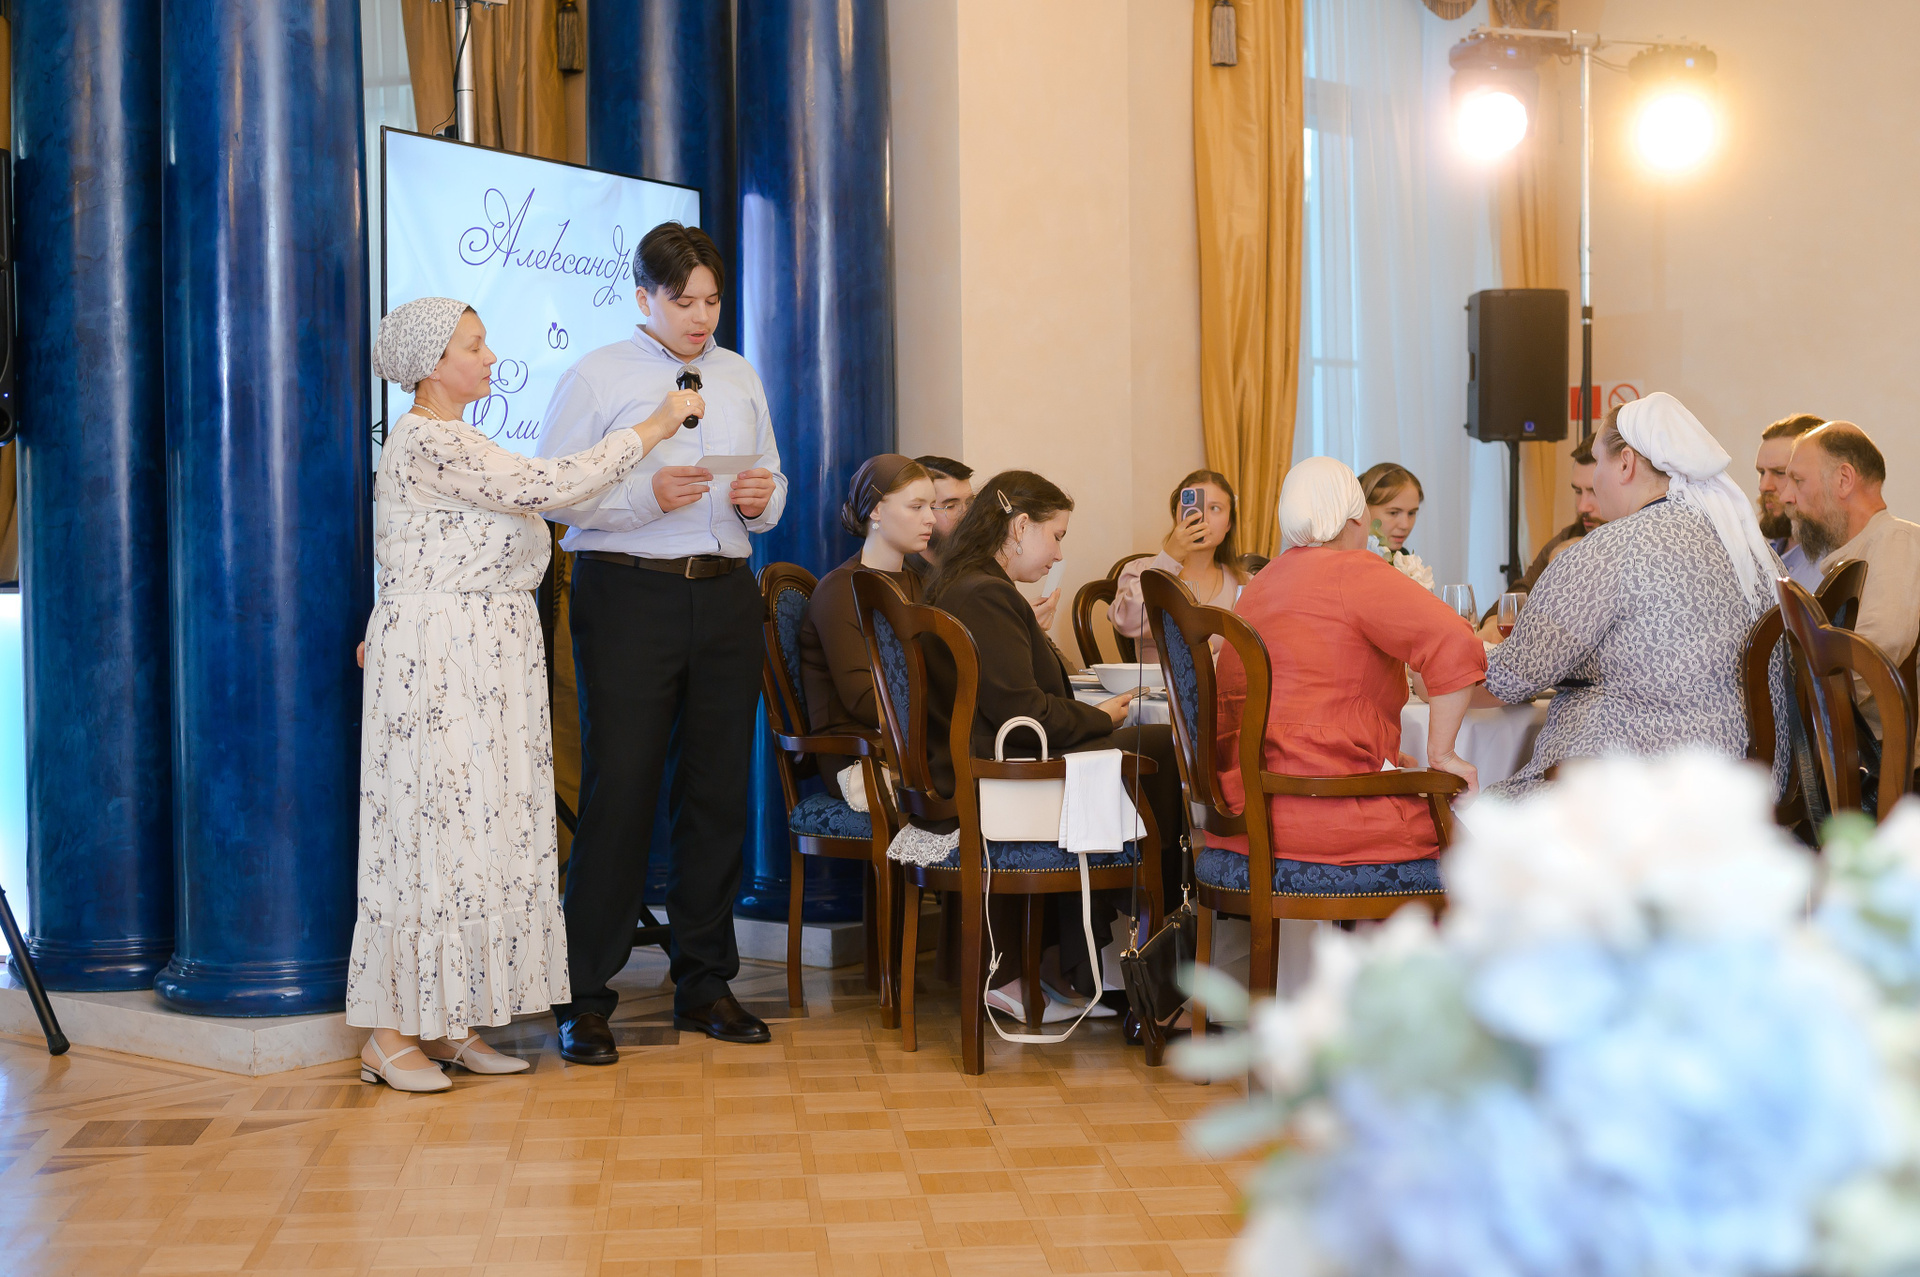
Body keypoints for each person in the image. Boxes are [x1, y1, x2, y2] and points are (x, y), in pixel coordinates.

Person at [350, 297, 684, 1091]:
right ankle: (387, 1036)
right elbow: (546, 482)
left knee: (479, 839)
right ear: (434, 364)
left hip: (485, 656)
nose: (491, 357)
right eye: (474, 345)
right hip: (444, 657)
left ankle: (448, 1021)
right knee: (431, 838)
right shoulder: (426, 437)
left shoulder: (461, 437)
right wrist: (656, 425)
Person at [535, 222, 787, 1060]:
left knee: (717, 793)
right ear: (644, 296)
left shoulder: (739, 373)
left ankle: (705, 983)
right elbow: (557, 494)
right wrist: (647, 498)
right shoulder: (598, 373)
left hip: (726, 595)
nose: (700, 317)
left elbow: (774, 479)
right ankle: (583, 995)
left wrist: (762, 498)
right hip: (628, 595)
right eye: (683, 301)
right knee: (622, 788)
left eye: (712, 300)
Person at [920, 471, 1187, 1010]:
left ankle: (1080, 959)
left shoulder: (965, 583)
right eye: (1057, 535)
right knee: (1159, 746)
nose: (1059, 554)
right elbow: (1023, 711)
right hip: (996, 772)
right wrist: (1100, 718)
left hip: (982, 757)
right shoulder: (985, 594)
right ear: (1020, 527)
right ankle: (1145, 954)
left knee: (1145, 742)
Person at [1485, 392, 1789, 797]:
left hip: (1637, 796)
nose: (1595, 482)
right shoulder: (1754, 550)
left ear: (1625, 463)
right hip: (1746, 794)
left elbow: (1509, 679)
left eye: (1598, 462)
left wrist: (1441, 657)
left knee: (1475, 812)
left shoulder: (1609, 549)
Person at [1209, 457, 1484, 869]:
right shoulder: (1351, 571)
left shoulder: (1260, 584)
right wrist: (1443, 756)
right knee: (1481, 854)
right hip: (1329, 815)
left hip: (1242, 818)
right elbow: (1457, 641)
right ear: (1357, 518)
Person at [799, 455, 935, 803]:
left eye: (931, 506)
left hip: (915, 743)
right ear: (876, 510)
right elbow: (863, 700)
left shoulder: (919, 583)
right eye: (916, 506)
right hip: (862, 757)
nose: (931, 518)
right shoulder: (840, 589)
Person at [1782, 422, 1920, 745]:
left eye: (1798, 481)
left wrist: (1802, 702)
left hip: (1887, 765)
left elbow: (1876, 648)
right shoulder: (1861, 549)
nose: (1787, 496)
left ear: (1844, 479)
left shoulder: (1895, 539)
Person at [1110, 469, 1249, 663]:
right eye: (1193, 506)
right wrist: (1169, 558)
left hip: (1223, 683)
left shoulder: (1244, 584)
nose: (1202, 518)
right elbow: (1127, 623)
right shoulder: (1141, 571)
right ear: (1177, 514)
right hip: (1159, 683)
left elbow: (1252, 650)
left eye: (1215, 508)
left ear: (1229, 524)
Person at [913, 453, 1060, 630]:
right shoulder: (909, 581)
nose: (965, 514)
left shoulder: (972, 569)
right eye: (950, 506)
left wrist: (1016, 620)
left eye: (970, 503)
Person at [1756, 412, 1826, 591]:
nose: (1764, 486)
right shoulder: (1758, 554)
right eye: (1762, 472)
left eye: (1780, 473)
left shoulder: (1832, 567)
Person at [1357, 463, 1434, 589]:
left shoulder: (1403, 557)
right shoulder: (1350, 562)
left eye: (1411, 513)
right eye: (1393, 513)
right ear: (1364, 509)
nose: (1405, 525)